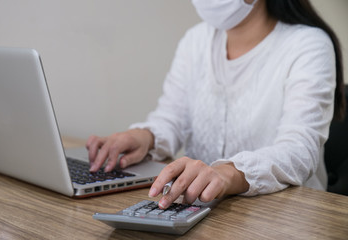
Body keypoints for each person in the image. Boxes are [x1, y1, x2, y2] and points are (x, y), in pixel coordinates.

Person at [86, 0, 345, 209]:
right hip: (202, 209)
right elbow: (172, 117)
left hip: (287, 217)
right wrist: (144, 136)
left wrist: (227, 173)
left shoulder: (308, 45)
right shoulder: (195, 40)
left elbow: (299, 150)